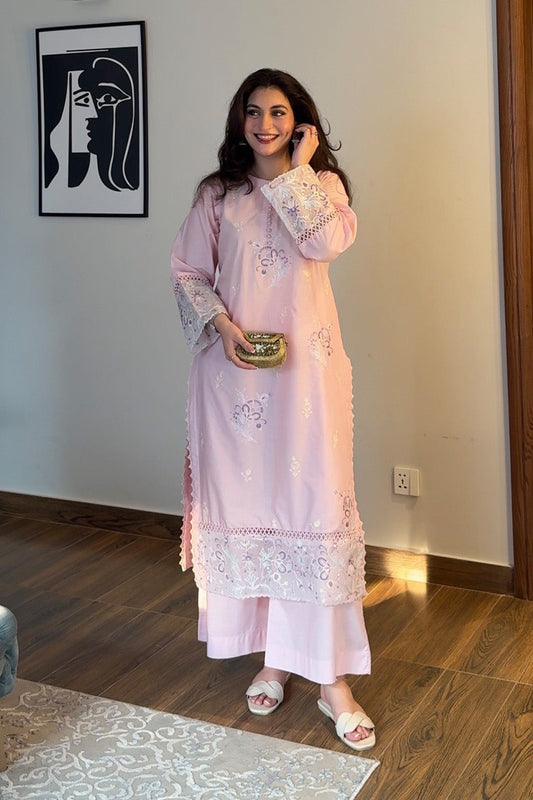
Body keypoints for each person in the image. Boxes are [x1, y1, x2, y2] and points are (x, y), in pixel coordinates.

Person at [170, 68, 375, 751]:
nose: (264, 124)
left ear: (299, 121)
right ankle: (276, 661)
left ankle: (331, 682)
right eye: (253, 111)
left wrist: (298, 170)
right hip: (231, 383)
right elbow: (187, 272)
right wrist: (222, 326)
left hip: (307, 382)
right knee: (253, 514)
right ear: (240, 120)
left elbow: (323, 243)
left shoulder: (322, 188)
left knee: (310, 513)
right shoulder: (217, 194)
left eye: (278, 112)